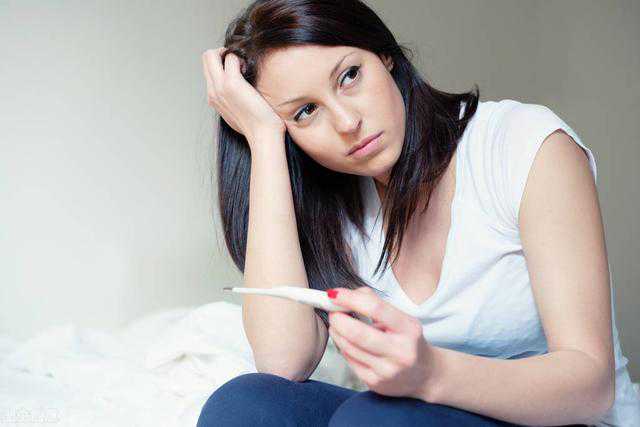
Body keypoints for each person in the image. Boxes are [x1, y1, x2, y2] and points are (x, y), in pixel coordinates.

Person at [197, 0, 640, 425]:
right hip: (419, 416)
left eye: (350, 76)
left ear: (384, 54)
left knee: (373, 418)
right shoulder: (333, 199)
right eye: (306, 111)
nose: (347, 122)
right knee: (244, 406)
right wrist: (265, 139)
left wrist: (430, 374)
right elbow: (283, 362)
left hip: (563, 419)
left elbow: (591, 387)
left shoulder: (523, 145)